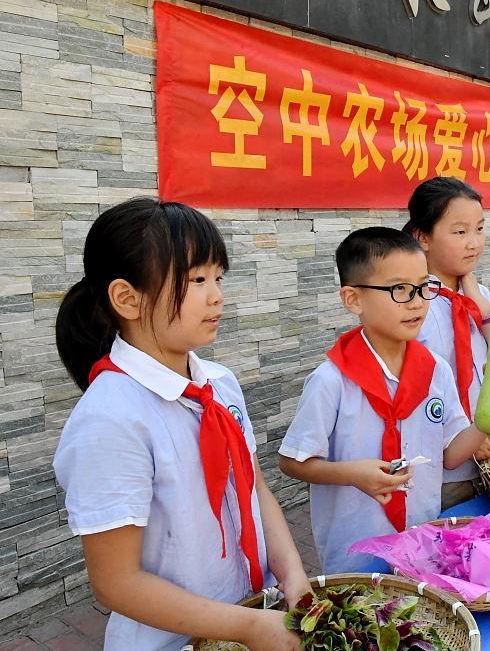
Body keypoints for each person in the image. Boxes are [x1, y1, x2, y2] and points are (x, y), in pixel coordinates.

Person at [51, 198, 308, 651]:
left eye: (217, 277)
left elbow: (256, 492)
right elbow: (117, 582)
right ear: (128, 299)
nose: (217, 295)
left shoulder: (221, 386)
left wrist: (294, 577)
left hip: (254, 618)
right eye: (195, 280)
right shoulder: (110, 419)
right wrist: (245, 626)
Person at [277, 228, 490, 573]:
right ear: (354, 300)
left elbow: (452, 453)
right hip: (352, 552)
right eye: (400, 289)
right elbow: (292, 462)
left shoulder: (435, 371)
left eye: (424, 287)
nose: (416, 302)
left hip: (421, 542)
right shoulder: (332, 381)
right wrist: (351, 474)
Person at [403, 177, 490, 510]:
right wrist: (465, 439)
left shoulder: (480, 298)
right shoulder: (411, 307)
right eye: (460, 232)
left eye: (479, 229)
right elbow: (415, 393)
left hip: (487, 457)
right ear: (423, 238)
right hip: (438, 471)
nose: (473, 242)